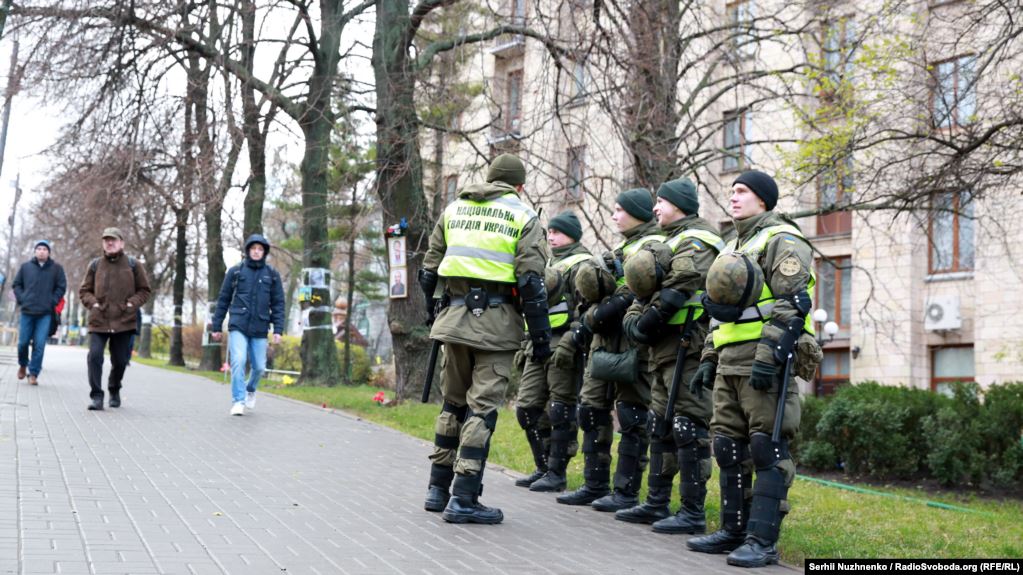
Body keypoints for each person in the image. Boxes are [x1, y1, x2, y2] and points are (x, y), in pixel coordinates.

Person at [686, 170, 822, 567]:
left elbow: (792, 303)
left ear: (763, 200)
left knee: (767, 446)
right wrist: (709, 358)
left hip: (764, 357)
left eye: (742, 191)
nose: (733, 197)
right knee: (727, 446)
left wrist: (770, 354)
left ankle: (762, 540)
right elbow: (721, 313)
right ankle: (732, 530)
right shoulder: (735, 243)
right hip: (730, 357)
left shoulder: (783, 239)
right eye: (731, 191)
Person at [420, 153, 551, 524]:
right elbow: (531, 282)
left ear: (490, 178)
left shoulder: (454, 209)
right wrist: (540, 336)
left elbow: (429, 271)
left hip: (453, 320)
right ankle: (463, 498)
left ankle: (436, 489)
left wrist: (434, 315)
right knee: (481, 410)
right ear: (519, 185)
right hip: (496, 326)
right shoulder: (523, 215)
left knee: (452, 405)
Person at [616, 178, 724, 534]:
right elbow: (642, 287)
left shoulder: (698, 240)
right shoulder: (669, 239)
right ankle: (657, 502)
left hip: (687, 346)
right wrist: (635, 321)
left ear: (679, 204)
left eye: (661, 202)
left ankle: (692, 511)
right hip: (663, 349)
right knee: (658, 425)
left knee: (689, 426)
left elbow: (680, 284)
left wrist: (645, 322)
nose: (656, 208)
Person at [557, 188, 667, 511]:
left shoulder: (653, 246)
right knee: (590, 410)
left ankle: (626, 491)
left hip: (632, 341)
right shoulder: (619, 248)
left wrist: (596, 314)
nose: (614, 215)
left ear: (637, 212)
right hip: (603, 341)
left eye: (620, 209)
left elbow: (631, 293)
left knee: (632, 415)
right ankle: (594, 484)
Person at [514, 211, 596, 492]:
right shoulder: (546, 263)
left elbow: (586, 310)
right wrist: (525, 343)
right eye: (549, 232)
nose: (551, 236)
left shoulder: (583, 264)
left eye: (557, 232)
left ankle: (556, 472)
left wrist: (572, 341)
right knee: (527, 408)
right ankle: (543, 465)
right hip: (537, 346)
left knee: (560, 409)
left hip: (564, 347)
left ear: (573, 234)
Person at [210, 234, 286, 416]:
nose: (257, 252)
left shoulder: (272, 275)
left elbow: (278, 304)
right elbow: (223, 300)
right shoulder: (235, 272)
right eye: (254, 249)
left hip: (260, 327)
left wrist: (278, 329)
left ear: (264, 252)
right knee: (238, 360)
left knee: (259, 367)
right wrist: (216, 326)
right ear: (248, 251)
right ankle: (238, 400)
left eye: (260, 249)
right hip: (238, 324)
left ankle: (250, 388)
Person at [79, 228, 152, 410]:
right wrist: (94, 303)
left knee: (120, 361)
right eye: (106, 240)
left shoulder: (133, 265)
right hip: (99, 319)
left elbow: (144, 290)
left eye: (113, 240)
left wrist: (131, 305)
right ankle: (96, 396)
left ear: (122, 243)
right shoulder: (95, 265)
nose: (109, 243)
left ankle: (114, 388)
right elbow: (84, 291)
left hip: (124, 320)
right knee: (94, 356)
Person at [12, 240, 67, 385]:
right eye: (39, 248)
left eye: (44, 249)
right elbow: (16, 284)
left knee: (39, 344)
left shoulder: (56, 269)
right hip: (27, 312)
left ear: (49, 252)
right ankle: (23, 364)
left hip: (45, 313)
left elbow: (61, 287)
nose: (41, 251)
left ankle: (34, 373)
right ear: (35, 251)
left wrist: (52, 301)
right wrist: (22, 298)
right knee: (22, 343)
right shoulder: (25, 268)